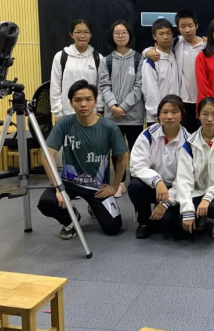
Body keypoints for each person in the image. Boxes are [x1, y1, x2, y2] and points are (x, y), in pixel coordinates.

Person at [37, 80, 128, 239]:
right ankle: (70, 219)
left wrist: (114, 187)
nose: (83, 104)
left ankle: (94, 207)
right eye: (78, 100)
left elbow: (122, 157)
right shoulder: (64, 123)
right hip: (69, 182)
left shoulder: (109, 127)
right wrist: (59, 189)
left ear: (95, 102)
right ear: (71, 103)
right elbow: (46, 156)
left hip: (97, 187)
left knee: (113, 227)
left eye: (88, 99)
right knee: (46, 202)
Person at [175, 97, 214, 239]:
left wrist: (209, 196)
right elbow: (184, 178)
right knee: (182, 224)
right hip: (198, 191)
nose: (209, 119)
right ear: (198, 116)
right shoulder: (189, 143)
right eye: (205, 114)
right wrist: (187, 210)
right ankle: (201, 216)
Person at [128, 95, 190, 239]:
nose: (169, 116)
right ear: (159, 115)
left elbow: (185, 178)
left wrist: (165, 204)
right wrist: (157, 181)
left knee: (168, 226)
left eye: (174, 112)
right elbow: (137, 165)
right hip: (154, 185)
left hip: (176, 189)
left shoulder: (189, 141)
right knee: (135, 186)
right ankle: (144, 221)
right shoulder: (147, 135)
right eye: (165, 112)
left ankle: (165, 211)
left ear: (182, 115)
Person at [99, 20, 145, 197]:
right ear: (112, 36)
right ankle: (119, 183)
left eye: (123, 32)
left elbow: (139, 87)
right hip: (113, 116)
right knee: (117, 151)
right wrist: (113, 106)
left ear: (129, 35)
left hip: (133, 116)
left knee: (136, 150)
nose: (120, 36)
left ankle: (136, 182)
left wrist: (122, 107)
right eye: (117, 33)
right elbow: (104, 85)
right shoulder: (106, 61)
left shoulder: (139, 59)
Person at [144, 10, 205, 133]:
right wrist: (146, 52)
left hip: (201, 101)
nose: (187, 30)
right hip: (182, 103)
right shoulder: (177, 43)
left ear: (196, 25)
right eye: (183, 26)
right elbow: (158, 48)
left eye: (190, 25)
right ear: (178, 28)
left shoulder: (206, 46)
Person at [50, 19, 104, 119]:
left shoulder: (98, 58)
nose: (82, 36)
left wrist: (99, 110)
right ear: (71, 34)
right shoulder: (61, 56)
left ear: (91, 34)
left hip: (91, 114)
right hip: (67, 113)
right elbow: (55, 86)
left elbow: (100, 87)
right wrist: (58, 113)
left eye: (86, 32)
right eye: (78, 32)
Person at [142, 18, 179, 125]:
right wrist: (157, 113)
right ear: (154, 36)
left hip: (175, 113)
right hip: (157, 117)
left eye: (168, 33)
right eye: (161, 34)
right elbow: (149, 90)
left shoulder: (175, 55)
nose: (165, 37)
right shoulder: (151, 61)